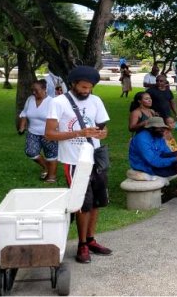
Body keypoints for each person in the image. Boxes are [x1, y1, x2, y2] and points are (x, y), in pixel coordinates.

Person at [45, 66, 112, 264]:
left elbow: (102, 128)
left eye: (90, 88)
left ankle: (91, 239)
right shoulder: (58, 102)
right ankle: (82, 244)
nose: (86, 91)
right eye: (83, 87)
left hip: (95, 158)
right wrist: (78, 133)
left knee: (97, 201)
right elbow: (49, 134)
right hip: (74, 161)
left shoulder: (96, 101)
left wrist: (101, 133)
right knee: (82, 204)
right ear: (73, 84)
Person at [129, 117, 177, 206]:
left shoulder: (158, 135)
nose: (163, 129)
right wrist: (176, 159)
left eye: (162, 127)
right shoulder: (141, 139)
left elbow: (167, 152)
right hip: (148, 167)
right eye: (160, 127)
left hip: (159, 162)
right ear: (151, 128)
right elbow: (153, 161)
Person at [19, 79, 58, 183]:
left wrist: (53, 132)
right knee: (30, 152)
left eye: (36, 90)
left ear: (44, 89)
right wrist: (22, 127)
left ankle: (52, 177)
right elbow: (24, 113)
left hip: (48, 133)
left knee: (51, 154)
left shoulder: (52, 102)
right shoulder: (30, 99)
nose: (33, 92)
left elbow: (57, 119)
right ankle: (46, 167)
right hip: (33, 132)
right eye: (32, 90)